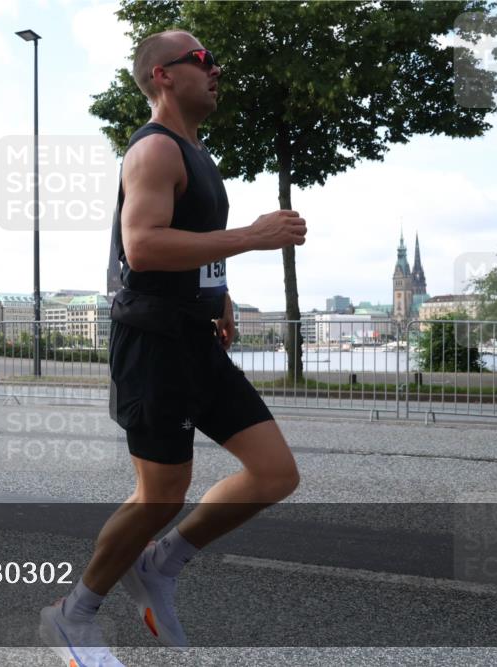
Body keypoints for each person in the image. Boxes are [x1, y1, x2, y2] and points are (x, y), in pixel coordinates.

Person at [39, 30, 306, 667]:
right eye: (204, 59)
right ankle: (72, 615)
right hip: (153, 344)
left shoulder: (196, 150)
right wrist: (250, 236)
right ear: (163, 74)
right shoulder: (155, 150)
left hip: (195, 335)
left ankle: (161, 563)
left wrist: (220, 294)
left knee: (275, 473)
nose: (217, 69)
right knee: (160, 494)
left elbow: (187, 246)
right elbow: (145, 246)